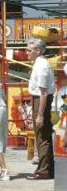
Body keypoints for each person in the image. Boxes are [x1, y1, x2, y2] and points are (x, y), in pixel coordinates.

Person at [26, 38, 55, 180]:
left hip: (41, 101)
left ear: (38, 51)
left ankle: (44, 170)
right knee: (43, 135)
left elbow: (43, 93)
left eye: (29, 50)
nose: (26, 53)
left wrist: (40, 115)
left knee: (42, 136)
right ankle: (47, 168)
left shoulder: (41, 66)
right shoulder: (39, 63)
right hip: (39, 100)